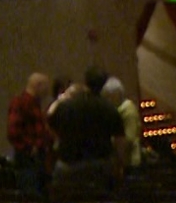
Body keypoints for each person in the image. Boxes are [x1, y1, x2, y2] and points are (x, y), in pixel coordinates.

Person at [48, 65, 125, 194]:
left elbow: (50, 121)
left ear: (85, 82)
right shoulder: (109, 109)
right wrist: (120, 165)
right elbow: (120, 142)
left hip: (69, 166)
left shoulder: (67, 106)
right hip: (100, 167)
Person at [6, 72, 53, 195]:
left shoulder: (34, 104)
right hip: (28, 159)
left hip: (37, 158)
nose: (47, 92)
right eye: (45, 88)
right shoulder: (20, 103)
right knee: (31, 195)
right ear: (38, 86)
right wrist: (30, 146)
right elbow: (13, 131)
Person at [100, 76, 143, 169]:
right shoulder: (115, 110)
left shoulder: (128, 110)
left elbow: (129, 138)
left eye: (108, 97)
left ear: (116, 95)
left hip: (130, 162)